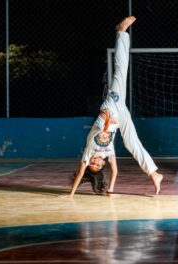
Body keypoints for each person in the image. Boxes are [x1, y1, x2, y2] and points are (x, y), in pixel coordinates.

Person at [63, 16, 163, 198]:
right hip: (119, 116)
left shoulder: (89, 151)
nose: (95, 160)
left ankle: (121, 33)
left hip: (110, 108)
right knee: (131, 142)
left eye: (92, 162)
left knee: (120, 71)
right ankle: (154, 173)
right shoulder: (108, 153)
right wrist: (109, 190)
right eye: (97, 164)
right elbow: (115, 172)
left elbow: (80, 173)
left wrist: (70, 194)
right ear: (102, 165)